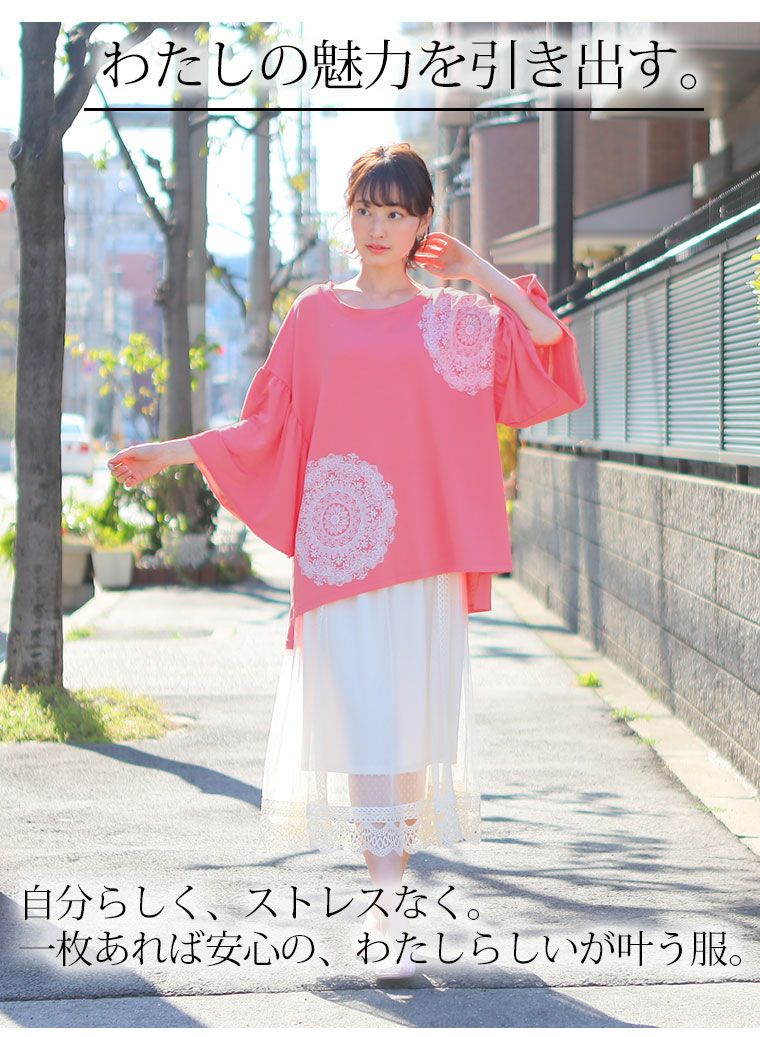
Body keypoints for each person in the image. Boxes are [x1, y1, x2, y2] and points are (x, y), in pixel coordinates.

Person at [107, 142, 587, 980]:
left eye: (396, 212)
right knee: (367, 722)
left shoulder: (455, 318)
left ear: (424, 221)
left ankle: (388, 903)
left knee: (406, 726)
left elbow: (546, 343)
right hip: (344, 556)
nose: (377, 226)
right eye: (365, 208)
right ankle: (386, 903)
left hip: (425, 557)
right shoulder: (316, 316)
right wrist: (173, 452)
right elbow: (266, 427)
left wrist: (477, 270)